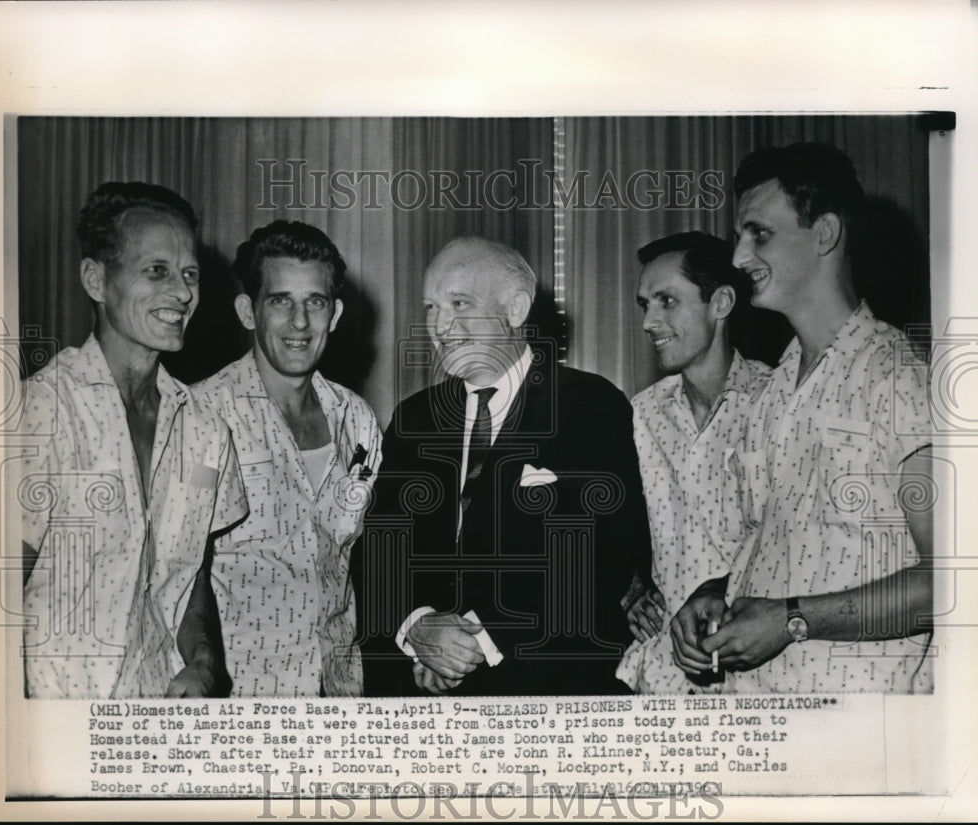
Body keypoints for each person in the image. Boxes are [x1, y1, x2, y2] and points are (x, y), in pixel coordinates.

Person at [671, 143, 934, 693]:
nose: (739, 257)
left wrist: (793, 619)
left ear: (825, 234)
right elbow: (779, 544)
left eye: (758, 233)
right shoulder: (772, 392)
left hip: (858, 728)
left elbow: (955, 580)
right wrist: (714, 592)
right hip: (760, 714)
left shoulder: (899, 378)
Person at [362, 236, 648, 696]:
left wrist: (467, 645)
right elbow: (378, 545)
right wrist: (416, 627)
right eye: (431, 306)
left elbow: (598, 556)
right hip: (418, 690)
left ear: (516, 309)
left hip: (541, 686)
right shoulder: (415, 416)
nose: (441, 325)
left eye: (459, 303)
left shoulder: (589, 406)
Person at [20, 181, 248, 699]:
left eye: (190, 274)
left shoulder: (207, 432)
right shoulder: (40, 412)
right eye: (157, 271)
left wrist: (205, 662)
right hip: (55, 726)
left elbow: (189, 574)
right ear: (96, 280)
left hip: (159, 724)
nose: (183, 292)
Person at [193, 221, 381, 697]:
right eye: (280, 300)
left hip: (340, 696)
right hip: (240, 701)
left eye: (314, 302)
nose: (300, 322)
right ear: (247, 311)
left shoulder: (356, 420)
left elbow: (360, 557)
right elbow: (175, 565)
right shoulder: (200, 416)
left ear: (334, 314)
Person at [616, 232, 770, 694]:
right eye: (645, 304)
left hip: (758, 673)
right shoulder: (642, 413)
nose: (649, 321)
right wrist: (630, 587)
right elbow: (615, 520)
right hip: (661, 676)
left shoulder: (776, 402)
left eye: (667, 301)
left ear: (720, 303)